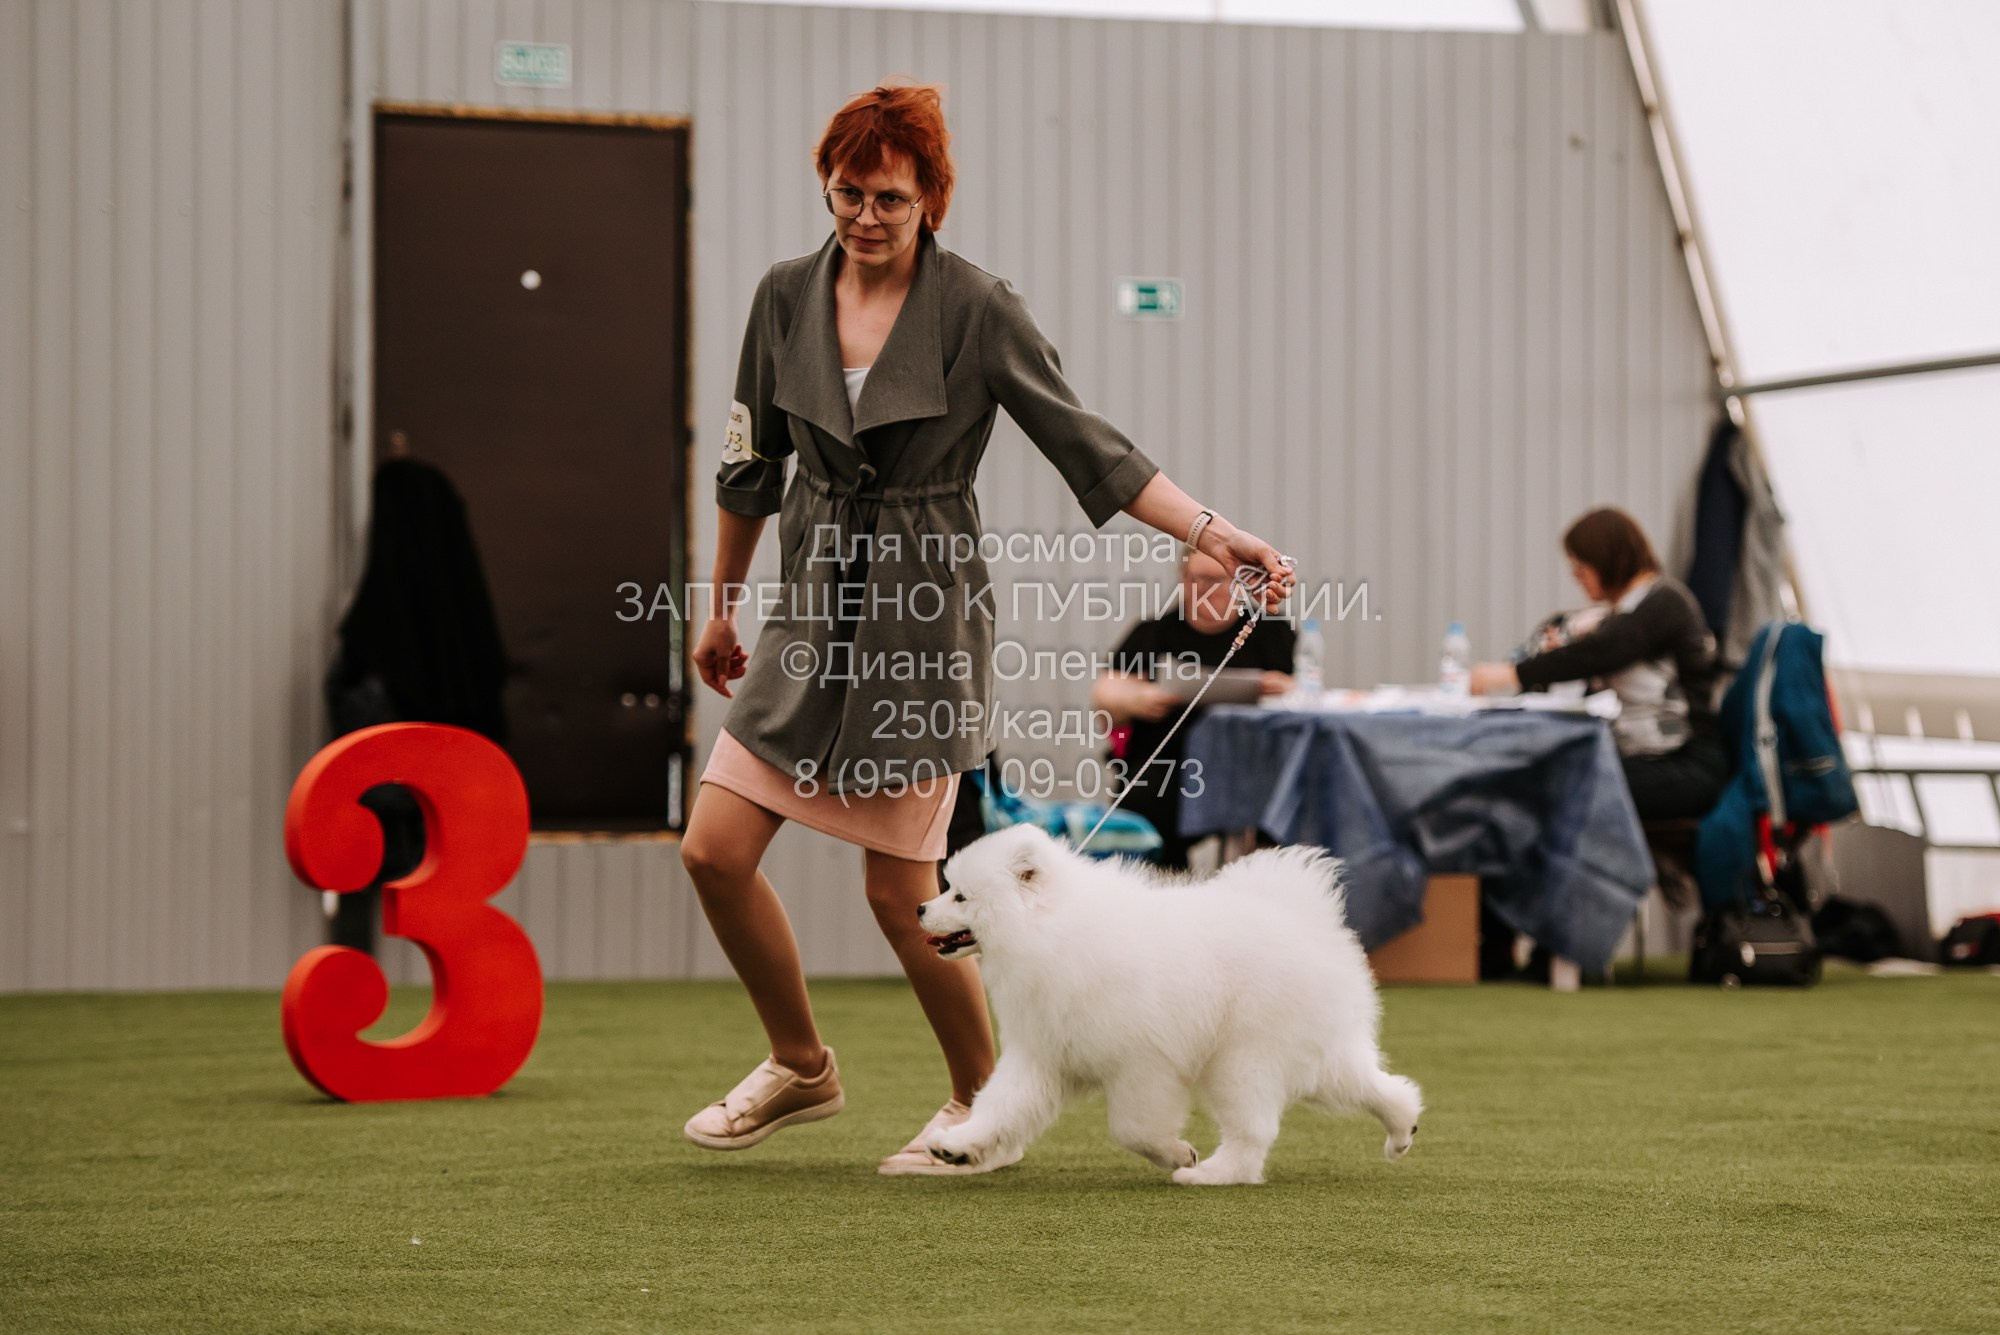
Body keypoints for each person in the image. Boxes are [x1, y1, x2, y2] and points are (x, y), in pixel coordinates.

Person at [676, 81, 1295, 1176]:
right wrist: (721, 605)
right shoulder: (780, 298)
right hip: (809, 600)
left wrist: (1219, 533)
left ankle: (976, 1104)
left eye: (890, 199)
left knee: (900, 891)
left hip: (922, 609)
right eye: (847, 193)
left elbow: (1089, 447)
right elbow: (745, 467)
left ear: (931, 201)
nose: (865, 216)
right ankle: (801, 1064)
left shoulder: (976, 308)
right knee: (713, 849)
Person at [1468, 506, 1727, 823]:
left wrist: (1509, 673)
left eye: (1581, 569)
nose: (1578, 579)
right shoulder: (1621, 615)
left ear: (1609, 561)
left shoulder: (1665, 601)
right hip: (1648, 758)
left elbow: (1604, 651)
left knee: (1560, 785)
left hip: (1685, 763)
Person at [1091, 549, 1295, 870]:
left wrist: (1281, 689)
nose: (1207, 589)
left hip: (1252, 764)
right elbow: (1105, 692)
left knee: (1288, 811)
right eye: (1198, 579)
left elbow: (1306, 694)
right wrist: (1139, 698)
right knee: (1142, 803)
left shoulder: (1271, 631)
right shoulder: (1154, 632)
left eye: (1218, 580)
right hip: (1169, 764)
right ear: (1183, 579)